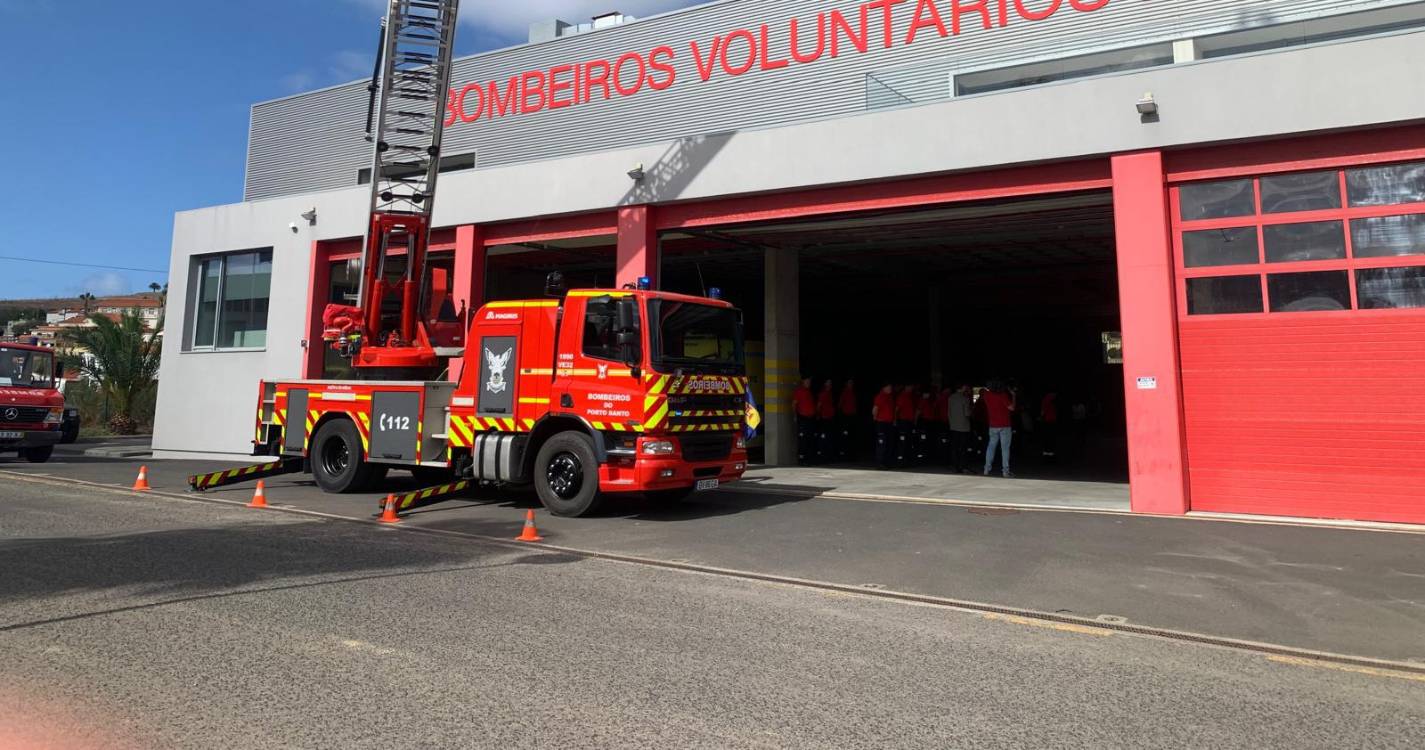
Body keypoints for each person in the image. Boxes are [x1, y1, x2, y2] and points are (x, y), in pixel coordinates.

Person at [981, 380, 1017, 478]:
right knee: (1005, 449)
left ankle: (986, 469)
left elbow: (986, 391)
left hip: (993, 425)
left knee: (991, 446)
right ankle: (1005, 471)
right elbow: (1012, 408)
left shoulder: (986, 395)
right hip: (1005, 425)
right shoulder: (1003, 395)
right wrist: (1013, 395)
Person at [947, 383, 973, 473]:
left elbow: (949, 412)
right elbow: (967, 413)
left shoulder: (950, 398)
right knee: (963, 447)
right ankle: (962, 465)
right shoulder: (965, 399)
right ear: (962, 388)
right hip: (963, 426)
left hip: (953, 425)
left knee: (954, 447)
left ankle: (955, 465)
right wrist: (971, 410)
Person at [871, 383, 896, 469]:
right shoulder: (880, 396)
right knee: (881, 443)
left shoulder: (890, 397)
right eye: (889, 387)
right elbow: (875, 409)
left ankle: (886, 462)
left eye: (891, 387)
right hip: (881, 423)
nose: (890, 389)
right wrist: (876, 419)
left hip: (889, 423)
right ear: (884, 388)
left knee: (889, 443)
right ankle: (879, 463)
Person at [793, 378, 816, 465]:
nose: (809, 383)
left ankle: (809, 458)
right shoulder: (799, 391)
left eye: (810, 382)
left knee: (809, 438)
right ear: (803, 382)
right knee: (803, 439)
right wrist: (795, 415)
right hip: (802, 418)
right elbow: (794, 404)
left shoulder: (809, 392)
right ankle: (802, 459)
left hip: (810, 418)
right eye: (807, 381)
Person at [894, 384, 918, 466]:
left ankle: (907, 460)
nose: (912, 388)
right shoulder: (902, 396)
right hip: (903, 422)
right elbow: (897, 409)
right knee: (902, 441)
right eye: (910, 386)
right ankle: (901, 460)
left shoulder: (911, 396)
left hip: (909, 422)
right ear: (906, 387)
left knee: (909, 441)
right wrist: (895, 420)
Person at [816, 380, 837, 462]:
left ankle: (829, 456)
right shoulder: (822, 393)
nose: (830, 385)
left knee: (830, 437)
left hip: (830, 418)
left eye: (830, 383)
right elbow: (818, 406)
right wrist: (818, 416)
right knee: (824, 437)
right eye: (828, 383)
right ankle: (823, 455)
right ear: (824, 384)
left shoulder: (830, 393)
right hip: (824, 418)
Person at [837, 379, 858, 461]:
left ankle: (851, 454)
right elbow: (840, 404)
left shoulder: (853, 392)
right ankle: (844, 454)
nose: (851, 384)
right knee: (845, 435)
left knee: (852, 436)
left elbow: (854, 404)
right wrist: (841, 416)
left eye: (852, 383)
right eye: (849, 383)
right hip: (845, 417)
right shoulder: (844, 392)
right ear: (846, 384)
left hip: (852, 417)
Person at [1040, 389, 1059, 460]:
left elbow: (1043, 412)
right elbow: (1043, 411)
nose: (1055, 395)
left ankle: (1047, 453)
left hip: (1048, 421)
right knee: (1050, 437)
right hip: (1049, 421)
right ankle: (1049, 453)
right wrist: (1042, 417)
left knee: (1048, 437)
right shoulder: (1049, 399)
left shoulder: (1048, 400)